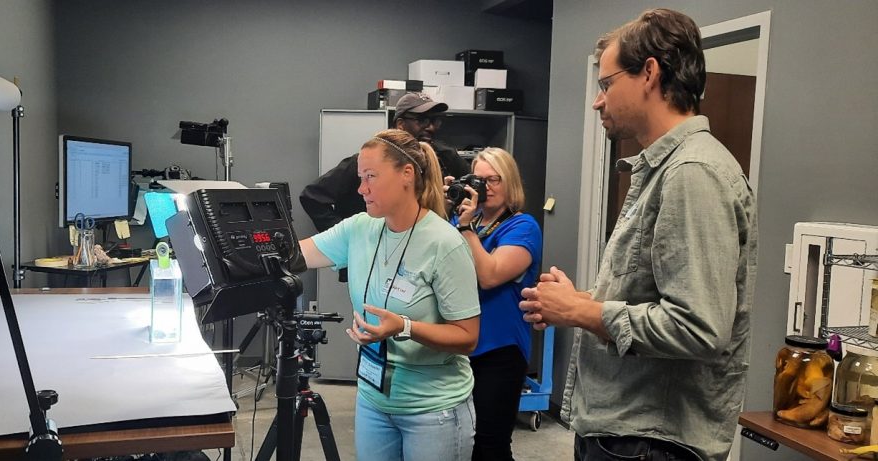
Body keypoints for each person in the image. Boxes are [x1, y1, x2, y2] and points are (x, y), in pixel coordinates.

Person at [518, 9, 758, 461]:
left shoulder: (692, 173)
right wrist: (581, 303)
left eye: (606, 84)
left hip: (650, 442)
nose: (597, 100)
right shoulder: (664, 168)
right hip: (630, 435)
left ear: (649, 73)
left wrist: (582, 312)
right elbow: (650, 293)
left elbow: (698, 329)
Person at [299, 129, 480, 461]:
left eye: (370, 177)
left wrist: (404, 326)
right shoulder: (360, 229)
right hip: (373, 400)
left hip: (433, 411)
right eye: (360, 178)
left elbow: (467, 337)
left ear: (406, 175)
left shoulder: (445, 244)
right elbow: (298, 255)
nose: (361, 188)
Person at [448, 147, 542, 461]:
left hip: (499, 350)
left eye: (494, 180)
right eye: (479, 180)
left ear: (509, 182)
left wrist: (465, 228)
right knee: (457, 442)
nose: (486, 188)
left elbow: (490, 275)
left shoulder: (521, 227)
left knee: (489, 444)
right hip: (457, 346)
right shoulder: (459, 220)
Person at [300, 92, 470, 233]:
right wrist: (348, 238)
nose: (431, 127)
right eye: (422, 120)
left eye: (435, 121)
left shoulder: (445, 157)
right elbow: (313, 196)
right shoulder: (366, 163)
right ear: (401, 125)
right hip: (368, 255)